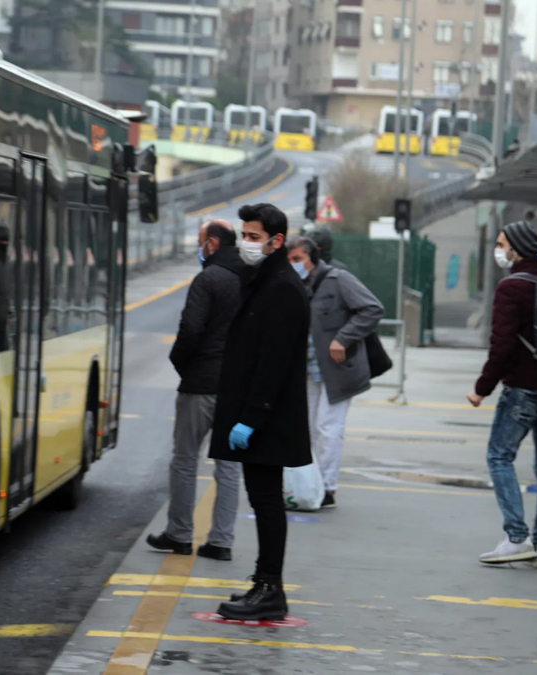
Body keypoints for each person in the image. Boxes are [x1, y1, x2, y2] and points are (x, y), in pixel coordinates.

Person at [210, 203, 311, 621]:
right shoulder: (265, 279)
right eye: (244, 235)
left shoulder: (283, 288)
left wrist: (251, 417)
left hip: (267, 418)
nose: (246, 243)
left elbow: (274, 362)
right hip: (260, 416)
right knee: (262, 498)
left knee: (267, 503)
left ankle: (270, 588)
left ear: (277, 240)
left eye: (253, 237)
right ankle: (264, 583)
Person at [468, 221, 537, 570]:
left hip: (524, 390)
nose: (499, 250)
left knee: (499, 456)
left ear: (516, 248)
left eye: (502, 244)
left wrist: (481, 389)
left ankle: (516, 538)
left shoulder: (511, 288)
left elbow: (500, 346)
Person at [147, 220, 245, 561]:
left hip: (201, 384)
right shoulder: (251, 279)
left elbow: (191, 328)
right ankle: (221, 541)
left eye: (201, 242)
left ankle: (179, 534)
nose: (199, 249)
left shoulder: (208, 279)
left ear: (213, 244)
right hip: (236, 388)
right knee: (229, 467)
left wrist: (182, 364)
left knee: (186, 460)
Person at [286, 236, 384, 509]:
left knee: (328, 429)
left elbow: (372, 308)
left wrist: (343, 338)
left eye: (297, 260)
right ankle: (307, 485)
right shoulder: (295, 286)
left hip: (338, 370)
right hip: (307, 370)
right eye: (289, 261)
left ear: (313, 258)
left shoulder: (338, 280)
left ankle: (327, 488)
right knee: (306, 430)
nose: (294, 265)